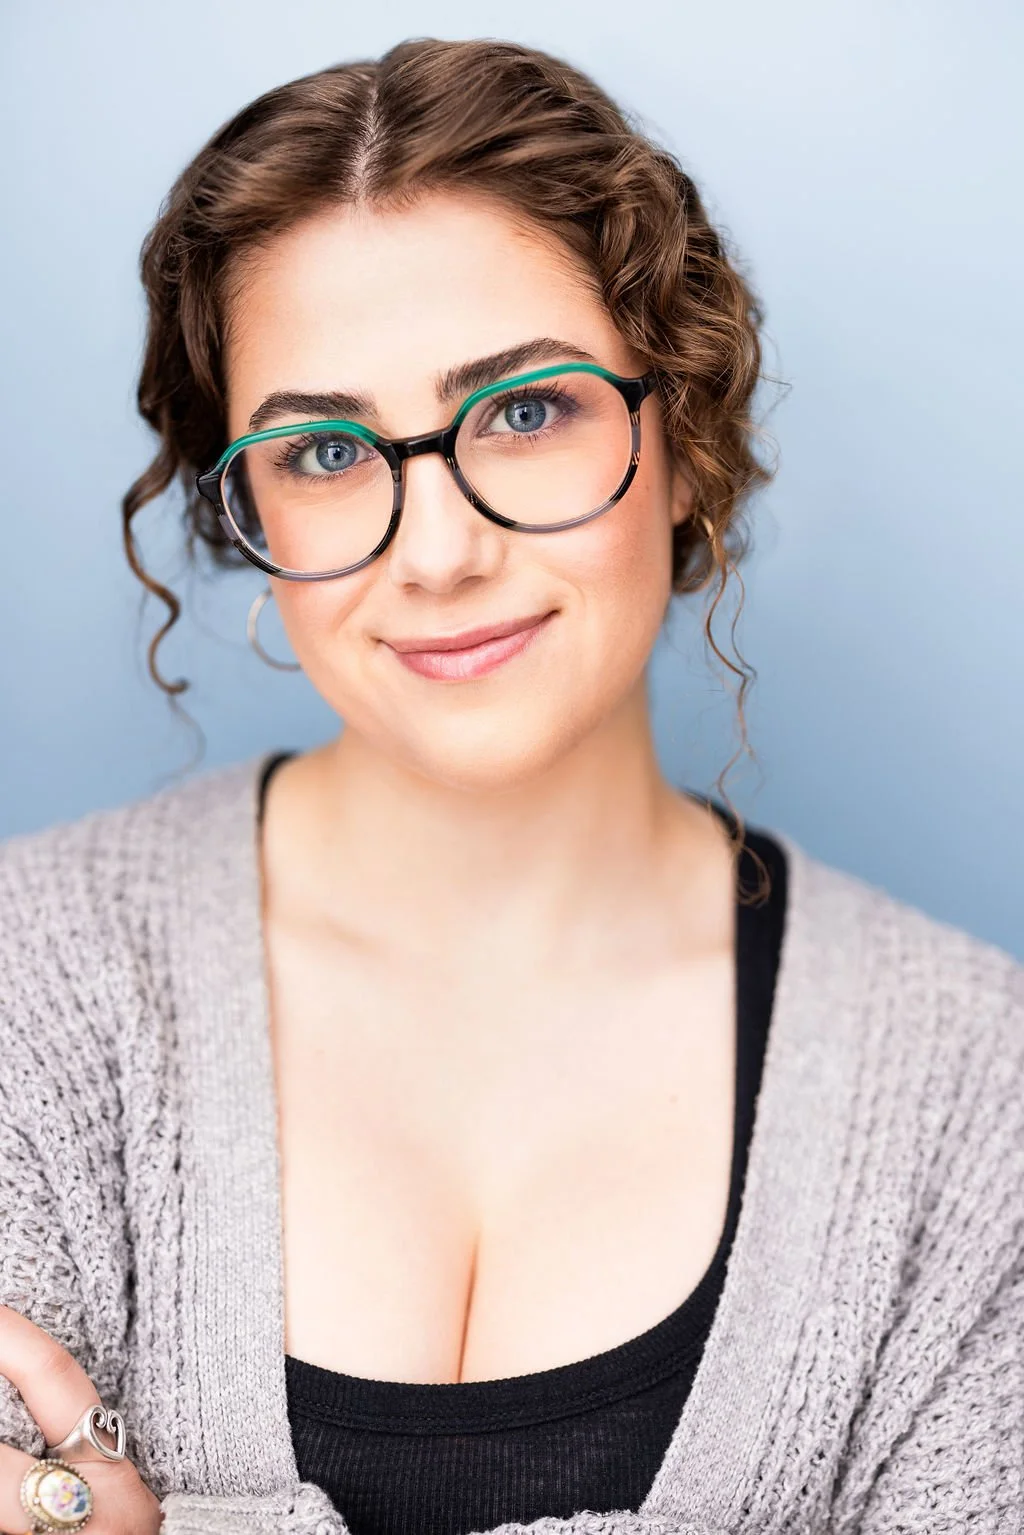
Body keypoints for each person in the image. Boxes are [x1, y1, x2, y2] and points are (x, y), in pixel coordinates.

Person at [0, 36, 1021, 1535]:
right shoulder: (25, 984)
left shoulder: (977, 1102)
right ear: (247, 508)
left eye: (528, 412)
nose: (437, 551)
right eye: (328, 449)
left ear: (687, 438)